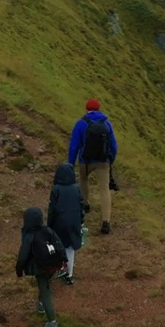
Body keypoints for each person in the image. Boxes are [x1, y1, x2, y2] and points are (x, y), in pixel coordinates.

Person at [68, 98, 117, 235]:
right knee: (104, 189)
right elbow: (113, 145)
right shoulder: (107, 123)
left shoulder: (80, 123)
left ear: (87, 109)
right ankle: (106, 221)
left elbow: (74, 146)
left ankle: (85, 203)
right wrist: (110, 159)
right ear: (98, 109)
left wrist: (71, 164)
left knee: (83, 180)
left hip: (86, 160)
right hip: (103, 161)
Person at [15, 207, 61, 327]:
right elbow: (59, 245)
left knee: (45, 292)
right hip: (53, 266)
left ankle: (52, 322)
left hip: (40, 268)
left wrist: (19, 270)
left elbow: (23, 256)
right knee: (45, 285)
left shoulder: (29, 236)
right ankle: (41, 305)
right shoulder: (48, 231)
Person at [47, 162, 84, 285]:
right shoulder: (77, 189)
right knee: (70, 248)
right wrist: (81, 221)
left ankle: (57, 268)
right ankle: (69, 274)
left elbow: (52, 209)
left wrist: (49, 225)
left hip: (59, 223)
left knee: (57, 246)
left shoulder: (56, 189)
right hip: (74, 222)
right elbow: (81, 206)